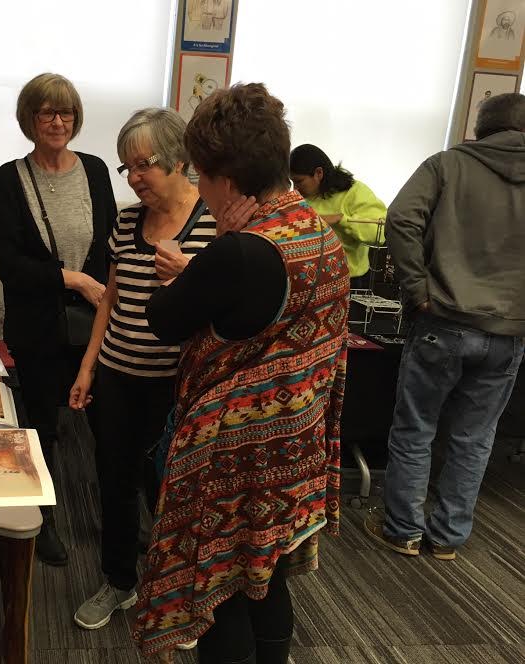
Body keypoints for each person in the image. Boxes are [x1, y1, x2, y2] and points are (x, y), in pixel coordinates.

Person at [134, 83, 350, 664]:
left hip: (231, 458)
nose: (199, 189)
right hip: (295, 446)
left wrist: (184, 275)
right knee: (267, 574)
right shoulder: (319, 236)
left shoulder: (239, 253)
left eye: (202, 176)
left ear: (226, 179)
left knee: (220, 590)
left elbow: (164, 320)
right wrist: (200, 270)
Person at [69, 107, 217, 631]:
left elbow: (223, 313)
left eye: (143, 166)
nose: (133, 178)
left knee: (174, 493)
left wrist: (190, 277)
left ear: (179, 160)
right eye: (124, 168)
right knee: (114, 482)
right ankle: (119, 582)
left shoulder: (215, 225)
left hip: (177, 388)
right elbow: (109, 300)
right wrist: (88, 367)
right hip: (116, 377)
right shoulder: (127, 220)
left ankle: (178, 591)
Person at [365, 92, 525, 561]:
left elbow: (400, 218)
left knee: (417, 428)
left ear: (480, 128)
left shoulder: (447, 164)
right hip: (510, 331)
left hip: (443, 319)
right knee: (475, 438)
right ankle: (448, 539)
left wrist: (418, 289)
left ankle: (403, 531)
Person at [0, 73, 117, 565]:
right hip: (39, 326)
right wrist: (74, 280)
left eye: (65, 112)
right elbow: (10, 265)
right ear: (30, 119)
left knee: (109, 427)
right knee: (41, 427)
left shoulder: (96, 170)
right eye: (47, 112)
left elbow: (110, 246)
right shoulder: (10, 176)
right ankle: (43, 520)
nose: (57, 121)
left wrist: (100, 289)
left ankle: (119, 520)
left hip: (96, 327)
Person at [290, 144, 386, 288]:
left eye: (299, 181)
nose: (294, 189)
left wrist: (341, 220)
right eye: (292, 182)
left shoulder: (355, 191)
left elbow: (379, 234)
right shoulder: (297, 198)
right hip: (310, 280)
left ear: (318, 173)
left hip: (351, 280)